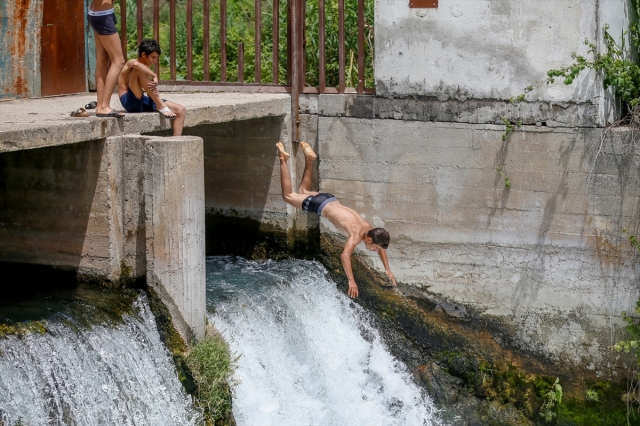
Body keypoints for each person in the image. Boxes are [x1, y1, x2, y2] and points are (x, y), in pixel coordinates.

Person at [276, 141, 397, 298]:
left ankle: (309, 159)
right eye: (375, 248)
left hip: (330, 199)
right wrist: (351, 281)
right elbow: (344, 255)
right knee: (288, 196)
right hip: (321, 206)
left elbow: (382, 248)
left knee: (303, 191)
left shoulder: (370, 229)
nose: (375, 250)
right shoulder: (357, 234)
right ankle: (282, 158)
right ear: (368, 239)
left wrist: (387, 268)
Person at [118, 39, 187, 136]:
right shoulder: (132, 63)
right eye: (153, 57)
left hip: (142, 99)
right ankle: (160, 105)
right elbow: (135, 65)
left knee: (180, 109)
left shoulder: (145, 66)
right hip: (129, 100)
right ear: (143, 55)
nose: (154, 61)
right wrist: (154, 76)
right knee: (139, 70)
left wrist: (154, 93)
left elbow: (146, 86)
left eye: (156, 58)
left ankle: (176, 141)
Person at [87, 0, 126, 118]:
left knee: (103, 59)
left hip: (101, 13)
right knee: (118, 61)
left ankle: (100, 106)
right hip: (102, 15)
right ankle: (104, 106)